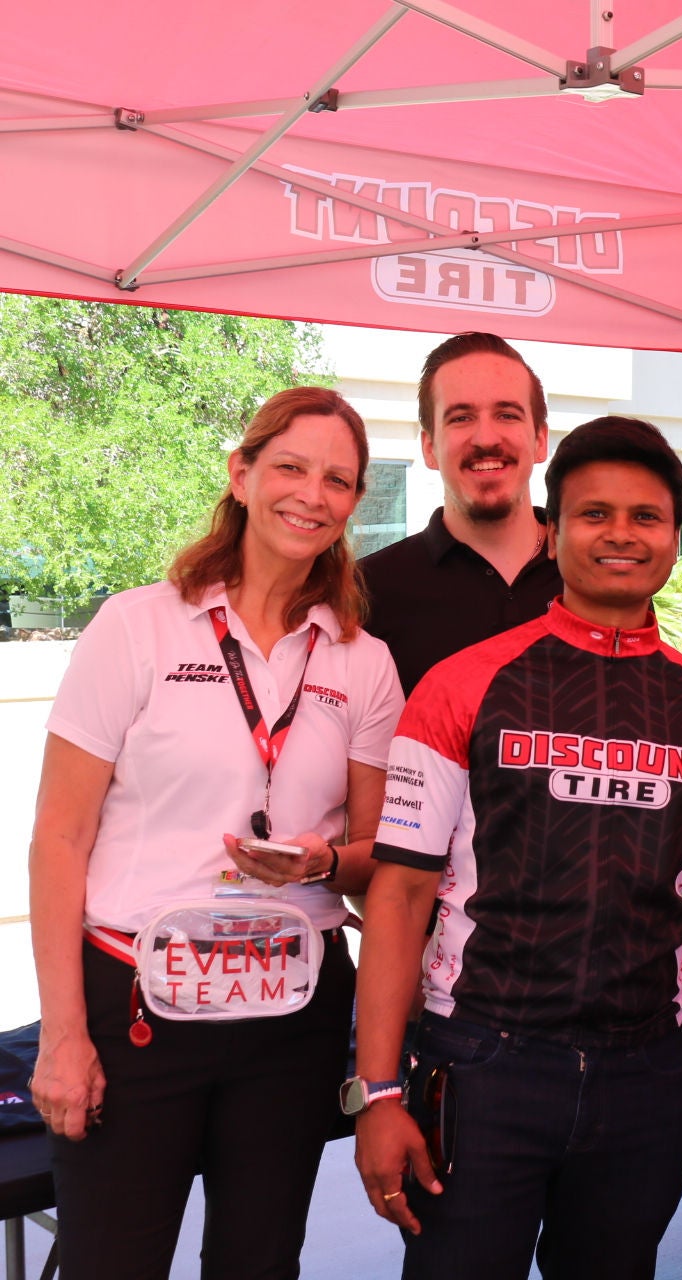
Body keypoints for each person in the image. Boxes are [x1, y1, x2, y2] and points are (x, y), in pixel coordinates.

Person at [350, 417, 682, 1279]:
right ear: (553, 529)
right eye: (593, 514)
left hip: (643, 1073)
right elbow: (397, 896)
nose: (620, 535)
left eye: (646, 517)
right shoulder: (462, 685)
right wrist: (378, 1091)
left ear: (676, 537)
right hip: (482, 1062)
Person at [29, 387, 404, 1279]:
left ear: (355, 501)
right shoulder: (137, 626)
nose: (311, 494)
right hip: (139, 1002)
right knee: (110, 1262)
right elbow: (58, 839)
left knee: (260, 1260)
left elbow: (376, 854)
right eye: (290, 467)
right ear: (241, 475)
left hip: (292, 1013)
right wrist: (62, 1034)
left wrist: (321, 860)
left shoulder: (362, 658)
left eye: (338, 479)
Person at [360, 331, 564, 693]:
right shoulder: (368, 591)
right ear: (429, 447)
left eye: (506, 414)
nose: (486, 438)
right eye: (460, 418)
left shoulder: (596, 576)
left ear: (540, 440)